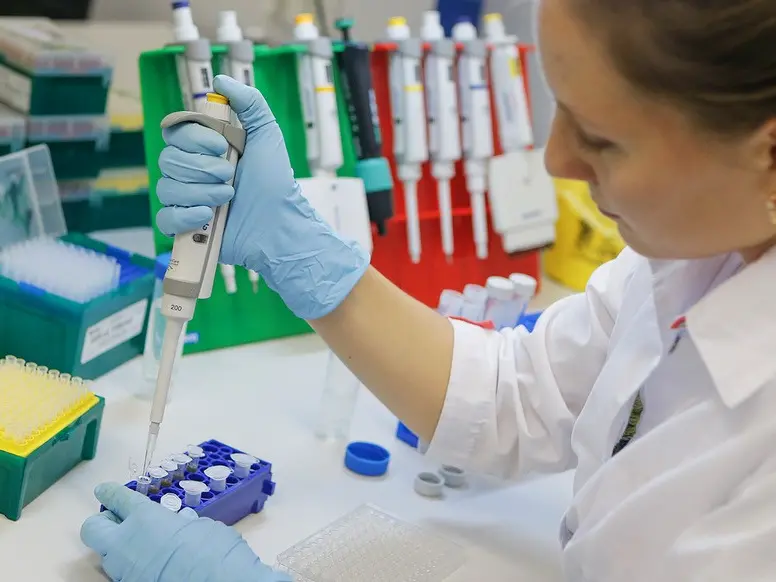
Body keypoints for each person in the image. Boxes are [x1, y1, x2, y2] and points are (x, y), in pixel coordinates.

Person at [81, 0, 776, 579]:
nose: (555, 159)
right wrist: (294, 244)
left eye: (600, 138)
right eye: (558, 107)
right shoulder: (696, 249)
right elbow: (520, 395)